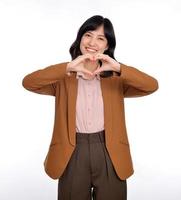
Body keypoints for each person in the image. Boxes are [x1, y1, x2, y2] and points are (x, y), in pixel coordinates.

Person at [22, 15, 158, 200]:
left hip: (110, 151)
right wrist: (67, 67)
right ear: (80, 39)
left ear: (107, 46)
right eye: (88, 35)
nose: (93, 42)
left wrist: (118, 67)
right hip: (72, 151)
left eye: (101, 38)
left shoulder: (117, 79)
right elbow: (29, 82)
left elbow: (151, 85)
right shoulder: (63, 78)